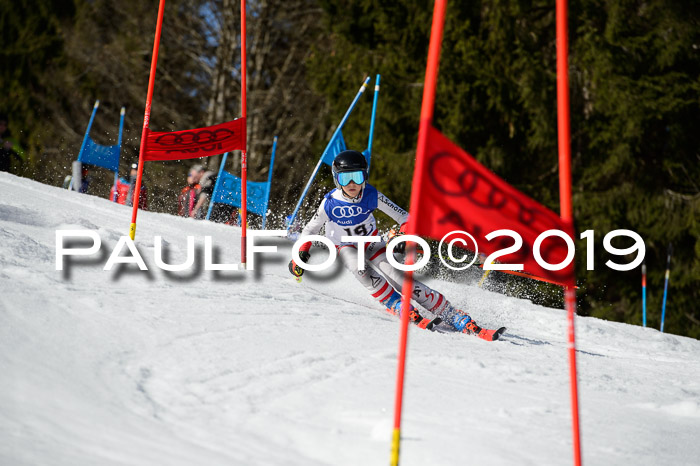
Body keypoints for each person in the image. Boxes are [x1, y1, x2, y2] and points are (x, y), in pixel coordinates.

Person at [288, 150, 503, 340]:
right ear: (337, 180)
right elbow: (310, 230)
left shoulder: (372, 195)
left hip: (372, 243)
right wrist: (301, 253)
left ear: (365, 177)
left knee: (401, 279)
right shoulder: (330, 203)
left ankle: (454, 315)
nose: (352, 184)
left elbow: (405, 218)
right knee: (359, 268)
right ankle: (398, 305)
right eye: (345, 178)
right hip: (345, 246)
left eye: (357, 176)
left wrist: (403, 235)